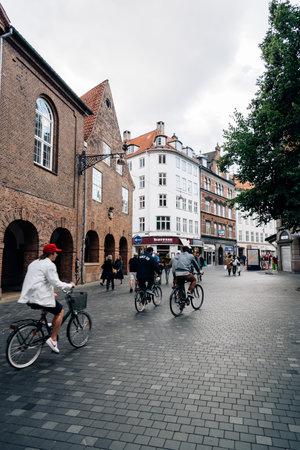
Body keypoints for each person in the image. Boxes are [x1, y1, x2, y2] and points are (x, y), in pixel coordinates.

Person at [17, 243, 75, 354]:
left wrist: (51, 293)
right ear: (51, 254)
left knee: (51, 300)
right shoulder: (49, 265)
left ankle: (42, 321)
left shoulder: (34, 263)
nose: (57, 254)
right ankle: (53, 339)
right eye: (56, 252)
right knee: (60, 311)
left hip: (30, 296)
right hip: (39, 296)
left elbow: (40, 280)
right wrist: (69, 285)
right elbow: (56, 282)